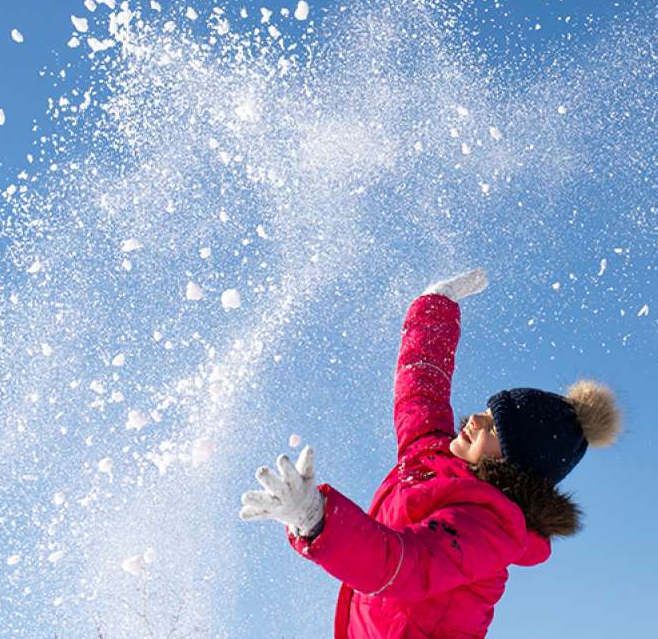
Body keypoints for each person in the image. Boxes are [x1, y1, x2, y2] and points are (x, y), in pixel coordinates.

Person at [239, 269, 622, 639]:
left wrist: (317, 520)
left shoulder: (489, 526)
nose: (474, 420)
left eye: (495, 428)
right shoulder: (428, 452)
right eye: (487, 412)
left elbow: (403, 564)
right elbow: (421, 386)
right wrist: (434, 306)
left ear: (515, 465)